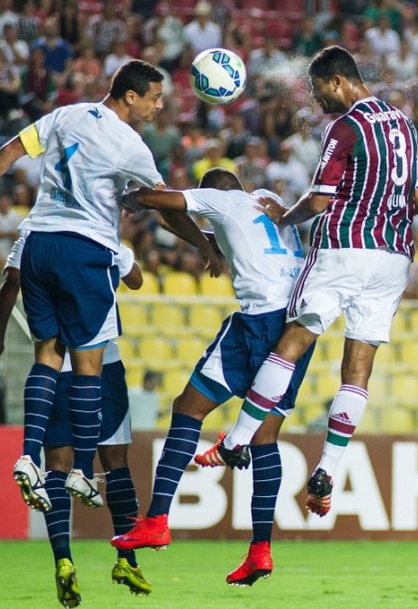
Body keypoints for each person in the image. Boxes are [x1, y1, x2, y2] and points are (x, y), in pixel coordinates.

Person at [0, 60, 220, 514]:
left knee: (47, 355)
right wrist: (204, 243)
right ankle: (80, 471)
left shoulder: (66, 115)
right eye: (155, 97)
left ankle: (29, 458)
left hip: (38, 245)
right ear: (130, 96)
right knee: (88, 365)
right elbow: (164, 208)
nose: (159, 106)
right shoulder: (131, 144)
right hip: (84, 250)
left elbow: (12, 148)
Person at [186, 46, 418, 518]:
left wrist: (285, 217)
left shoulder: (346, 126)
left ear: (338, 82)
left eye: (320, 92)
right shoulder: (404, 124)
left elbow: (318, 200)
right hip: (393, 257)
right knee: (358, 371)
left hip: (344, 248)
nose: (319, 103)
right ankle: (329, 469)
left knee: (291, 341)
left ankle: (236, 440)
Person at [111, 168, 315, 586]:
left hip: (259, 323)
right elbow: (194, 224)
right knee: (264, 439)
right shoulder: (266, 201)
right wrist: (208, 244)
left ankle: (156, 519)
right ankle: (260, 550)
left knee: (188, 408)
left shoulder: (225, 201)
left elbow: (163, 204)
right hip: (300, 326)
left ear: (211, 194)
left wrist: (133, 196)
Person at [0, 234, 153, 604]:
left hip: (53, 370)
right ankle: (126, 558)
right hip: (102, 366)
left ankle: (64, 560)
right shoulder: (101, 233)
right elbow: (136, 280)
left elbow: (10, 281)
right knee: (116, 465)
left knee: (56, 466)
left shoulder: (33, 234)